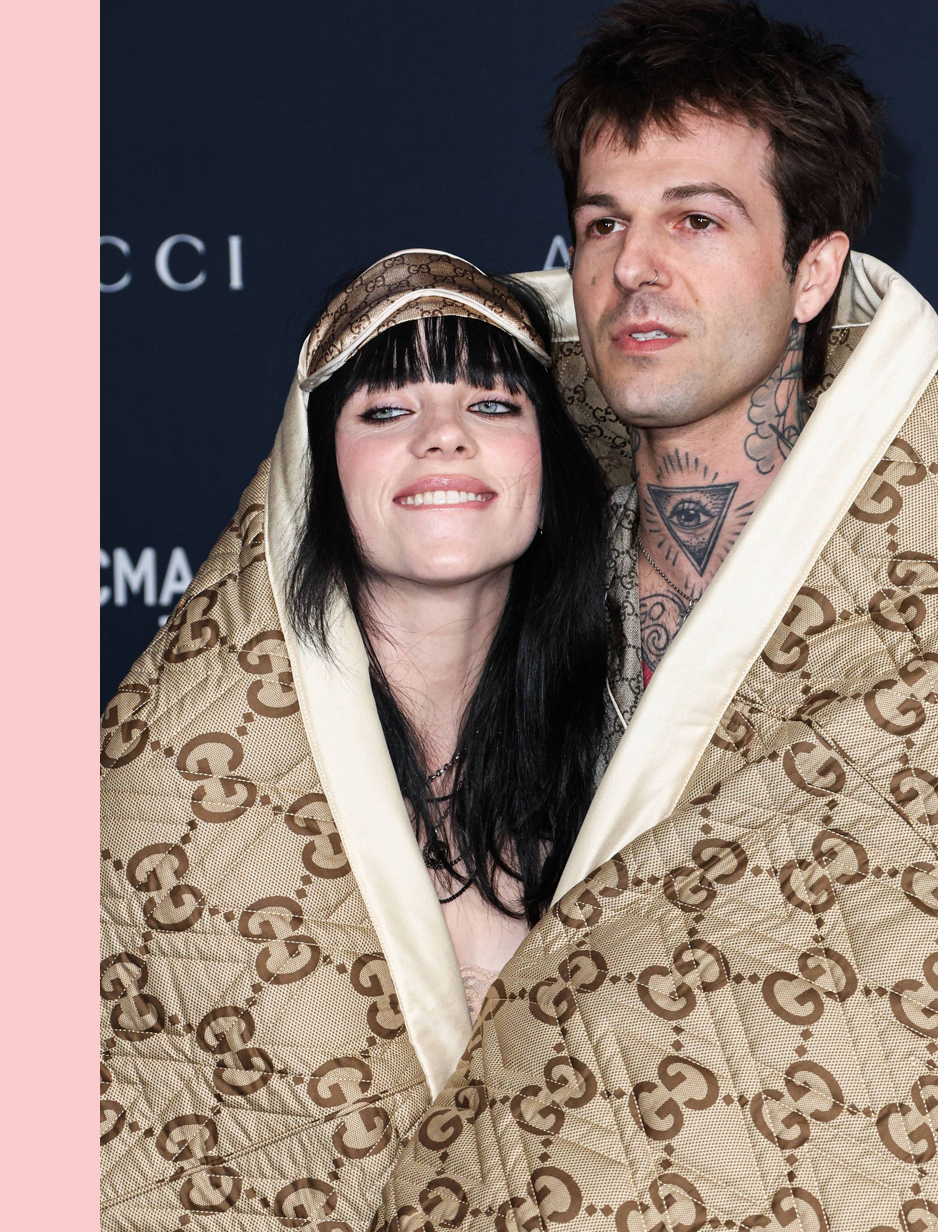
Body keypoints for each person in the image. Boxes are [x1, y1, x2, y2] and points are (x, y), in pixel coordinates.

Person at [376, 5, 938, 1232]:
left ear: (814, 269)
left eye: (697, 220)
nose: (634, 268)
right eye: (604, 222)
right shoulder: (500, 595)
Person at [99, 252, 612, 1228]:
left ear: (549, 459)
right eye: (385, 410)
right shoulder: (174, 789)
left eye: (496, 403)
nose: (446, 435)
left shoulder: (633, 764)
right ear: (313, 469)